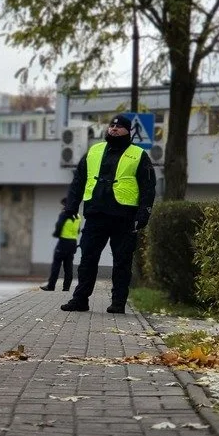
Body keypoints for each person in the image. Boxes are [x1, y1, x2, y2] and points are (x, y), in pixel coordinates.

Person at [59, 113, 156, 313]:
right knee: (87, 258)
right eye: (111, 126)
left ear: (129, 131)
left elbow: (148, 187)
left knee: (122, 261)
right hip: (96, 214)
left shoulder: (138, 155)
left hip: (124, 216)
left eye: (119, 127)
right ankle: (80, 299)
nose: (113, 129)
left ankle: (118, 302)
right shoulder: (94, 151)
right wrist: (71, 206)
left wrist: (143, 214)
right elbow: (79, 181)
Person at [40, 198, 80, 291]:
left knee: (56, 265)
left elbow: (59, 226)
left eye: (63, 205)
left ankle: (51, 286)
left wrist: (56, 234)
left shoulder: (64, 214)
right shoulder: (78, 216)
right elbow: (78, 230)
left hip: (63, 243)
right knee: (68, 266)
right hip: (73, 243)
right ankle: (66, 288)